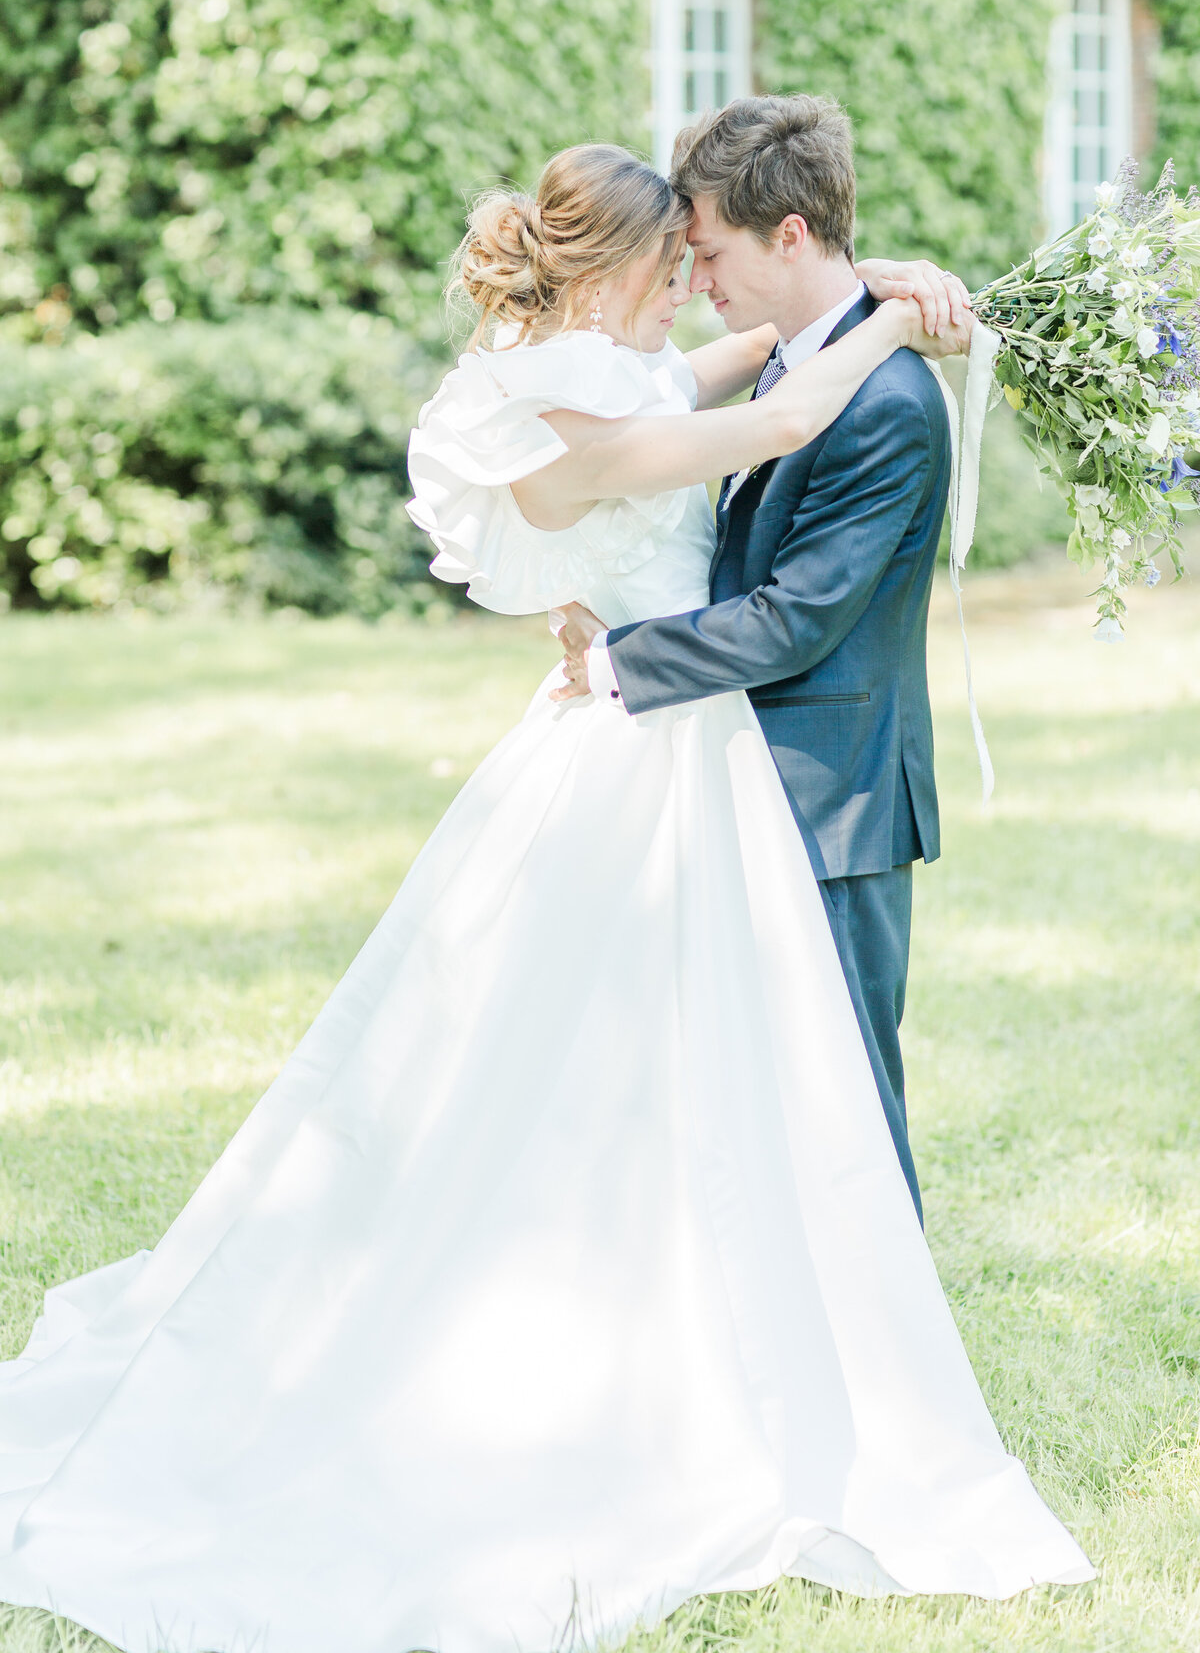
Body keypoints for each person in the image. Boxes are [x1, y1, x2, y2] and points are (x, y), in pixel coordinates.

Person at [0, 138, 1093, 1653]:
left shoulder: (623, 373)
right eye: (680, 259)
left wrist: (888, 295)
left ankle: (804, 1351)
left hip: (689, 750)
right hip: (642, 747)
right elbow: (772, 406)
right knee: (601, 1065)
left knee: (737, 1072)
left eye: (709, 250)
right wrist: (897, 316)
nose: (695, 278)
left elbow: (755, 355)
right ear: (633, 265)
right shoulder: (573, 408)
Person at [553, 95, 959, 1223]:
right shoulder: (795, 360)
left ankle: (891, 1364)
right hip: (752, 781)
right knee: (752, 1098)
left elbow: (797, 618)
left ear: (789, 236)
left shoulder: (886, 400)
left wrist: (620, 663)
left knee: (848, 1106)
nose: (698, 277)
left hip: (837, 800)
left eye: (713, 249)